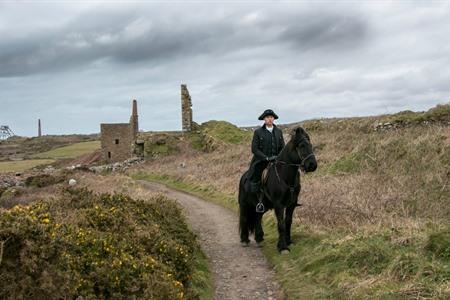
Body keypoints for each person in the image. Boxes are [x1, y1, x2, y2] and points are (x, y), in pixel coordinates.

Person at [247, 109, 285, 194]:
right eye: (267, 117)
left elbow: (283, 147)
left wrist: (279, 158)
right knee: (255, 175)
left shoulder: (279, 132)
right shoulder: (258, 132)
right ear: (264, 119)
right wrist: (266, 158)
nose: (270, 119)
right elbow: (254, 149)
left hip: (276, 161)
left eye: (271, 117)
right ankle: (257, 198)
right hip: (261, 161)